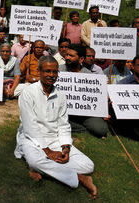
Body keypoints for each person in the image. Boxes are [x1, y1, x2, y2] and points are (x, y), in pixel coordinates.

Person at [14, 56, 97, 198]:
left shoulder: (61, 95)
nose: (51, 75)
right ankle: (79, 178)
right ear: (39, 71)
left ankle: (41, 169)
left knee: (88, 165)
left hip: (55, 139)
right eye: (47, 71)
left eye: (54, 72)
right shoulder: (28, 93)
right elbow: (30, 127)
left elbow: (64, 125)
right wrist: (48, 151)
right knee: (35, 160)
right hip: (32, 139)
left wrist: (65, 148)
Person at [60, 44, 108, 138]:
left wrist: (103, 110)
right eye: (66, 55)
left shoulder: (90, 76)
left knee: (101, 129)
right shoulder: (58, 70)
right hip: (62, 112)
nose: (67, 57)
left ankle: (75, 126)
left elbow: (97, 98)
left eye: (71, 56)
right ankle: (80, 128)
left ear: (81, 59)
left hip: (84, 114)